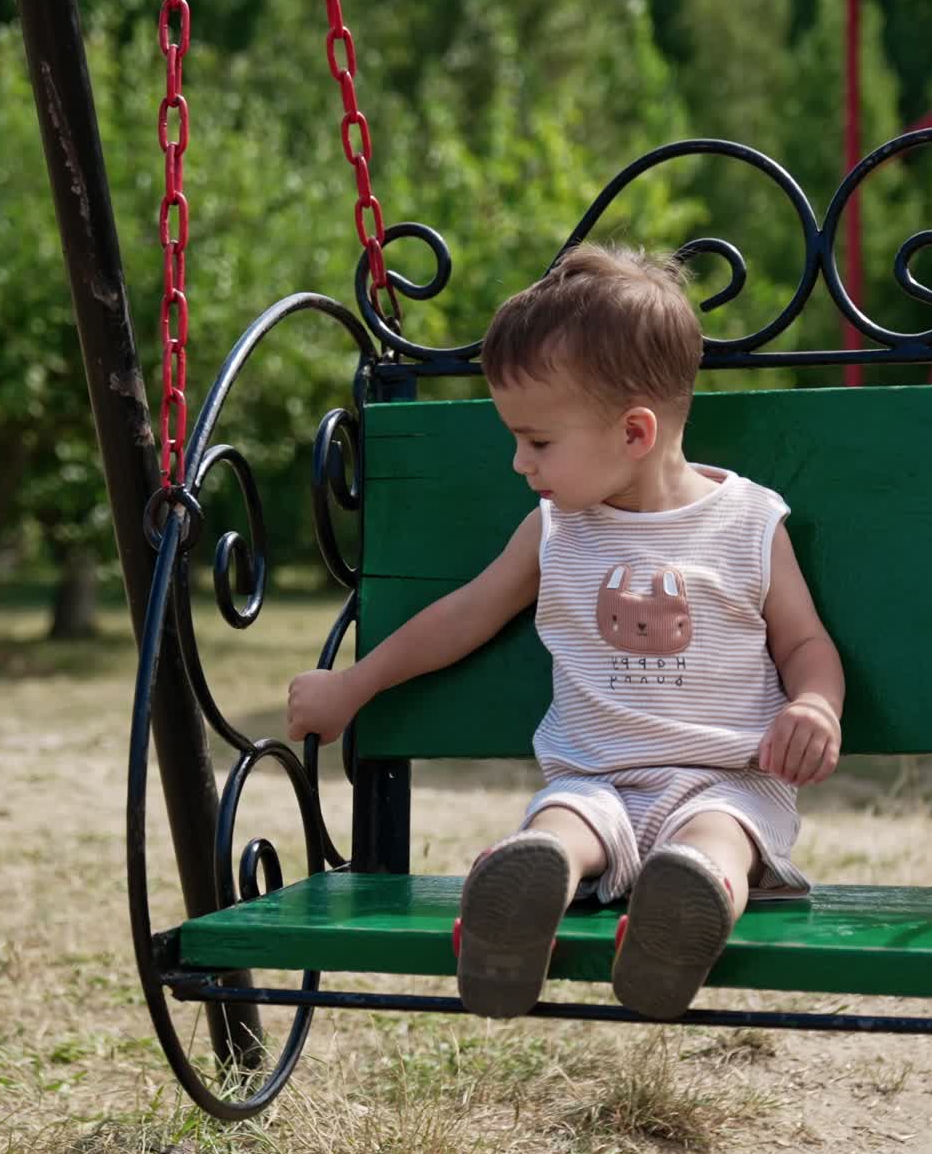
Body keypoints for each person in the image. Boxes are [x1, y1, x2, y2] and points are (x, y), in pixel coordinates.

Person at [287, 243, 844, 1020]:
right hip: (596, 778)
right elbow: (465, 615)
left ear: (635, 433)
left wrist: (816, 706)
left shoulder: (748, 522)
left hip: (729, 776)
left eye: (538, 441)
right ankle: (520, 891)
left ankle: (689, 910)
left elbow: (804, 644)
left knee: (716, 838)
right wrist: (353, 686)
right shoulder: (556, 528)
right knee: (563, 826)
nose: (520, 462)